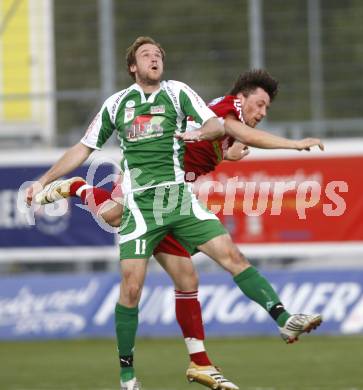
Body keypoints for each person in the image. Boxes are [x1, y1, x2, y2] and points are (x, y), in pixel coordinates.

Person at [27, 38, 323, 390]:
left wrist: (214, 143)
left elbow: (214, 129)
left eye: (159, 54)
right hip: (139, 196)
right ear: (133, 67)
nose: (261, 113)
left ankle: (233, 346)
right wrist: (44, 179)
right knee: (119, 241)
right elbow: (84, 146)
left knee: (200, 272)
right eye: (146, 54)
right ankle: (130, 376)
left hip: (178, 200)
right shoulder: (121, 104)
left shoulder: (179, 93)